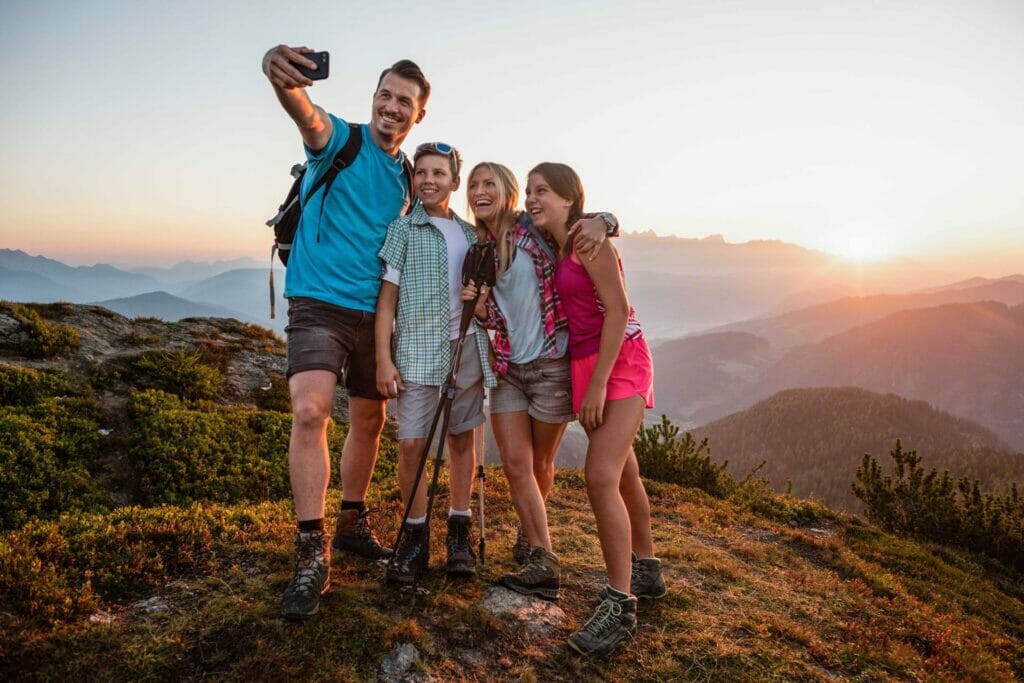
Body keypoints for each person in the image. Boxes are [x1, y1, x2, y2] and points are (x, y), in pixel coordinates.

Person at [262, 45, 429, 619]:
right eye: (384, 95)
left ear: (417, 116)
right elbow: (305, 114)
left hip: (377, 313)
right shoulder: (342, 140)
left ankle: (352, 520)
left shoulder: (409, 176)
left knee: (370, 418)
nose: (391, 107)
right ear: (373, 99)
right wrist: (278, 74)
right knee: (310, 409)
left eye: (403, 102)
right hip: (318, 302)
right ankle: (312, 551)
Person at [460, 163, 615, 601]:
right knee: (515, 464)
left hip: (550, 365)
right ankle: (544, 558)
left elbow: (582, 220)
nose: (480, 191)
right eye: (473, 185)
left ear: (507, 192)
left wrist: (605, 222)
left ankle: (531, 535)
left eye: (489, 183)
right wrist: (478, 306)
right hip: (509, 368)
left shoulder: (535, 230)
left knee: (541, 463)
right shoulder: (480, 245)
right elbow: (491, 313)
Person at [531, 162, 665, 657]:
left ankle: (619, 604)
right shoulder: (563, 239)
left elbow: (620, 309)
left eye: (541, 191)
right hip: (587, 363)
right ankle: (646, 571)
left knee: (600, 475)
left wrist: (599, 384)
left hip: (620, 361)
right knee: (624, 469)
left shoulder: (590, 242)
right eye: (528, 191)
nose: (531, 198)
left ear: (569, 199)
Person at [374, 142, 496, 585]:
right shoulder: (403, 230)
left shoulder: (471, 235)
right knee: (412, 445)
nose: (428, 180)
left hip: (465, 349)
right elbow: (386, 302)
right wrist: (383, 359)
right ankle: (415, 534)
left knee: (462, 439)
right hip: (416, 353)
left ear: (453, 181)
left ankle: (458, 531)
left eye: (438, 173)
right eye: (421, 172)